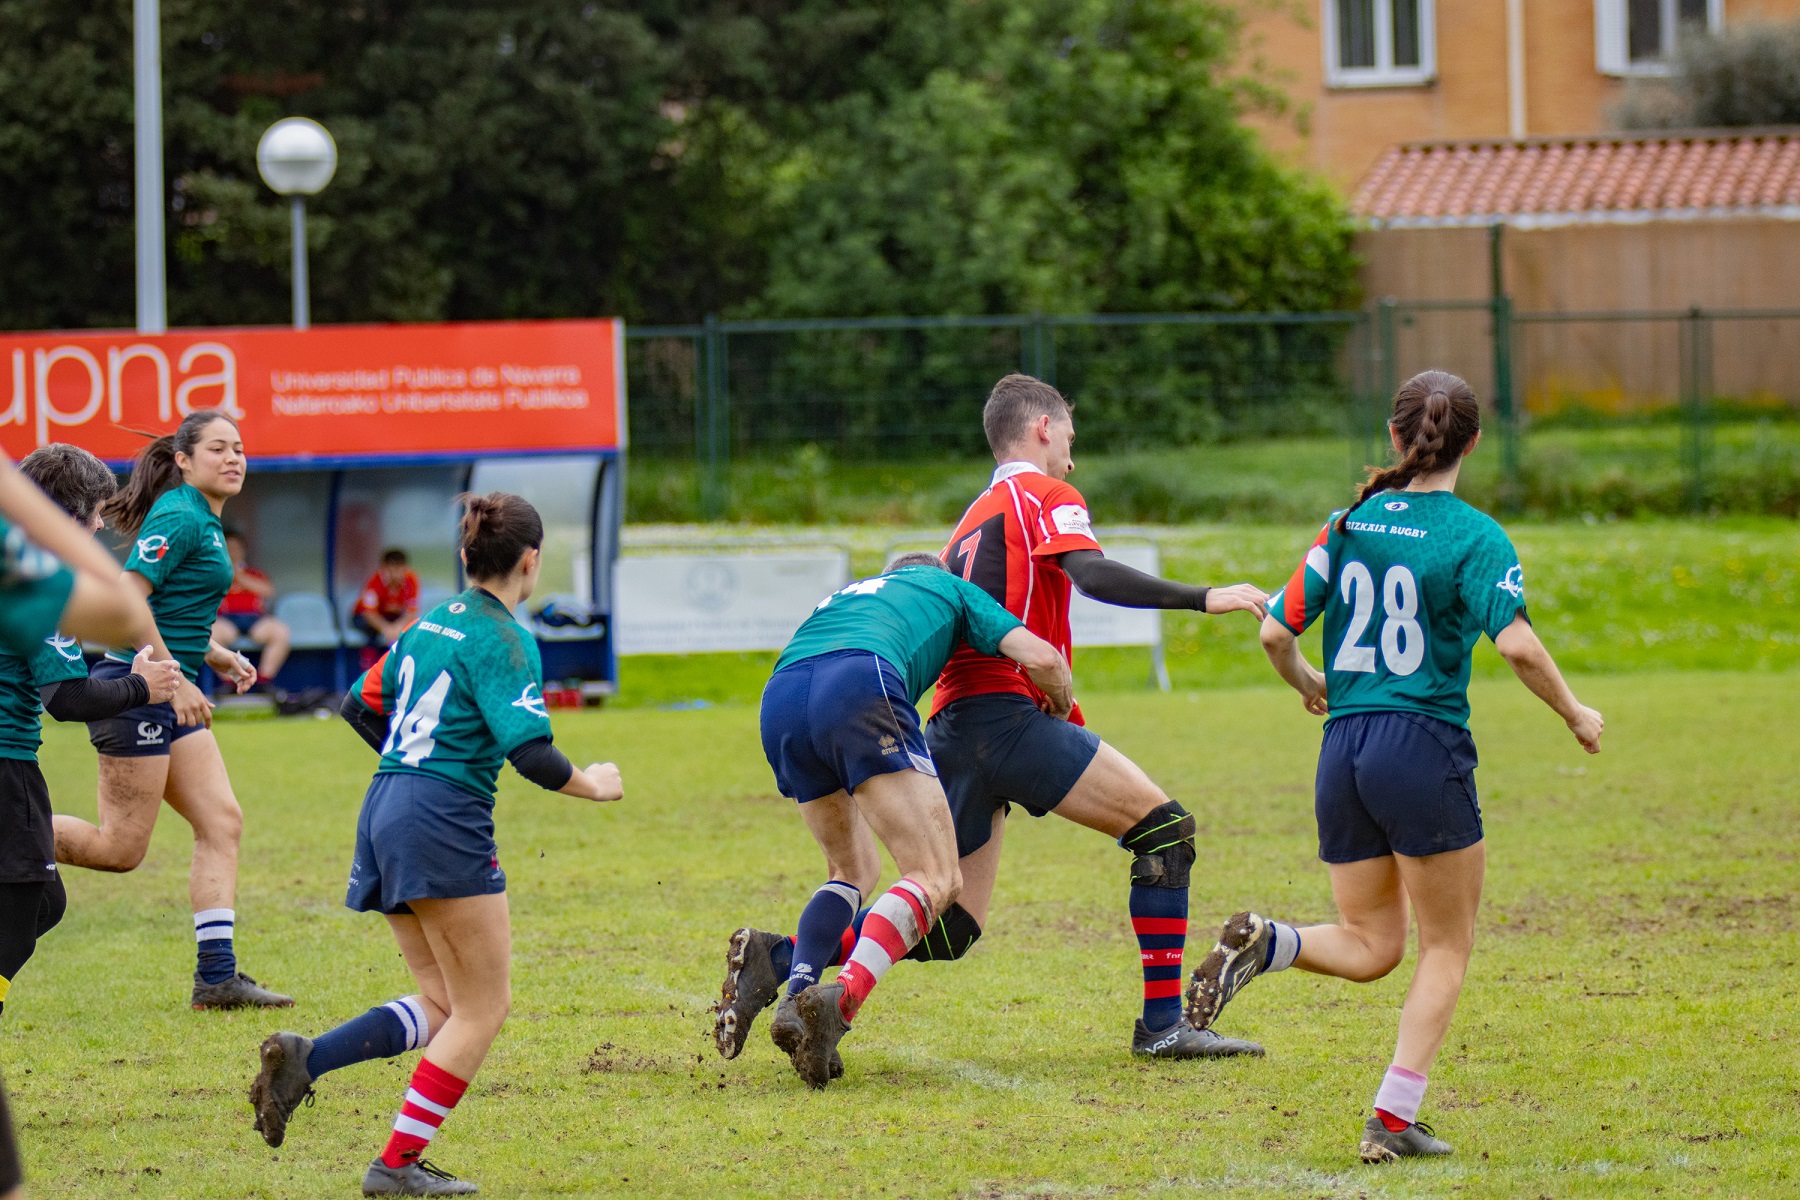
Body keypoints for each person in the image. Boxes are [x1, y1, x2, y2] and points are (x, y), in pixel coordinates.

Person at [1185, 370, 1605, 1163]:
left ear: (1394, 436)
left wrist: (1312, 683)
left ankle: (1268, 940)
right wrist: (1577, 713)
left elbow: (1277, 632)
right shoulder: (1476, 536)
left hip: (1343, 748)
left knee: (1372, 944)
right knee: (1446, 945)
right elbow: (1514, 643)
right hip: (1422, 747)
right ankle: (1392, 1116)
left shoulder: (1345, 524)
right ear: (1473, 443)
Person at [247, 492, 623, 1198]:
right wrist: (594, 784)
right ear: (531, 561)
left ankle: (307, 1059)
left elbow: (361, 703)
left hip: (386, 806)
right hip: (439, 818)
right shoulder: (504, 636)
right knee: (484, 1009)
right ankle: (394, 1167)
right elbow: (533, 755)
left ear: (465, 554)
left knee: (445, 1003)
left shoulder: (431, 622)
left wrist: (415, 772)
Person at [714, 552, 1074, 1088]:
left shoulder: (855, 594)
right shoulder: (949, 588)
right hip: (860, 683)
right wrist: (1060, 705)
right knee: (937, 878)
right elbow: (1043, 658)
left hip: (783, 695)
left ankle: (793, 988)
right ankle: (840, 1005)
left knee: (851, 870)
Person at [50, 410, 291, 1011]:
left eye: (239, 447)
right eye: (218, 448)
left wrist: (217, 654)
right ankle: (13, 830)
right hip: (137, 687)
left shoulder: (204, 522)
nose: (234, 458)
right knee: (118, 850)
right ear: (183, 460)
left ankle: (217, 977)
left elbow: (176, 610)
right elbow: (130, 599)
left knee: (222, 822)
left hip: (166, 685)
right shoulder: (180, 514)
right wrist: (175, 679)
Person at [0, 446, 183, 1018]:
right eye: (96, 511)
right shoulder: (38, 583)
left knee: (45, 901)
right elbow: (68, 697)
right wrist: (140, 687)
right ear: (65, 515)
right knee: (21, 914)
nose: (102, 523)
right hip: (7, 766)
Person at [212, 531, 290, 689]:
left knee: (280, 632)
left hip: (255, 619)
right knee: (209, 635)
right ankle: (231, 681)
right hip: (227, 620)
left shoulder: (254, 573)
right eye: (229, 548)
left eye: (236, 548)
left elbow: (268, 591)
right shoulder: (215, 573)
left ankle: (264, 680)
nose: (233, 552)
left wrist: (240, 576)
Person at [352, 549, 422, 657]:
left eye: (401, 569)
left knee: (411, 628)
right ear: (385, 568)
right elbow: (369, 613)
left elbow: (411, 611)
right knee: (371, 631)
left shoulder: (411, 580)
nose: (398, 574)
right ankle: (369, 665)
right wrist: (386, 629)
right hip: (365, 617)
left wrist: (397, 627)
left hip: (392, 617)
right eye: (394, 569)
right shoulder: (374, 581)